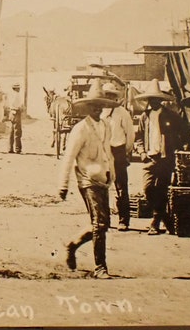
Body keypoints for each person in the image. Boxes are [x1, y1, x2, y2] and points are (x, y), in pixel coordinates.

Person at [57, 81, 118, 279]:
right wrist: (63, 185)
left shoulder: (106, 126)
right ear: (87, 107)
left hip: (103, 179)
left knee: (103, 224)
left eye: (100, 105)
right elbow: (68, 157)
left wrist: (113, 175)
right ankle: (100, 267)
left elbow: (109, 153)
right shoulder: (80, 129)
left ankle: (73, 244)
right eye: (94, 105)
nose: (97, 109)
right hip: (87, 181)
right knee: (99, 224)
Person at [134, 79, 187, 235]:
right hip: (150, 157)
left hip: (166, 158)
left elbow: (184, 132)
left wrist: (177, 147)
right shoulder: (145, 116)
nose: (154, 102)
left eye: (157, 99)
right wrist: (142, 152)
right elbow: (138, 137)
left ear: (161, 100)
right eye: (151, 99)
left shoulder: (171, 115)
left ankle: (155, 222)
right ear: (148, 100)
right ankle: (165, 219)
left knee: (162, 189)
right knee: (148, 188)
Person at [101, 82, 135, 230]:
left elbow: (130, 135)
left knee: (121, 186)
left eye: (112, 96)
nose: (109, 98)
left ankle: (123, 220)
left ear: (115, 98)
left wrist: (125, 152)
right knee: (102, 186)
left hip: (118, 151)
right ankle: (104, 220)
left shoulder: (122, 113)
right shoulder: (100, 112)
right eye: (107, 95)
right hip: (103, 153)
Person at [7, 82, 24, 154]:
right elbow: (18, 105)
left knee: (12, 131)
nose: (19, 89)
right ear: (16, 88)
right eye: (18, 88)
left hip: (11, 112)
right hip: (16, 112)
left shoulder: (10, 95)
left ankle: (10, 148)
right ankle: (17, 148)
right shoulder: (17, 95)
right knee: (18, 131)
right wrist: (20, 108)